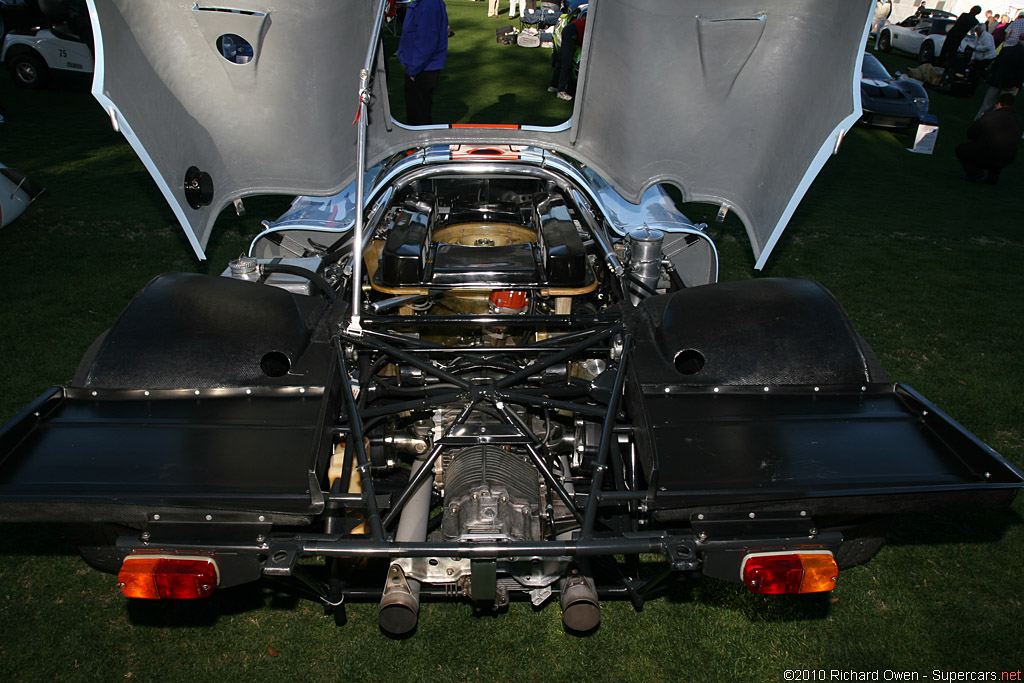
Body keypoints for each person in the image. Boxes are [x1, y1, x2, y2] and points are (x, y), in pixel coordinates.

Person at [397, 0, 449, 126]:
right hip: (421, 66)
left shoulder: (428, 3)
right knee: (418, 115)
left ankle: (421, 145)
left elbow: (427, 41)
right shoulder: (427, 3)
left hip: (422, 68)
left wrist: (414, 70)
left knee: (418, 118)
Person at [956, 93, 1024, 184]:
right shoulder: (1019, 120)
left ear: (999, 104)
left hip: (989, 153)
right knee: (1001, 148)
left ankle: (974, 173)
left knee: (962, 149)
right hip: (1009, 156)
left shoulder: (990, 116)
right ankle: (992, 177)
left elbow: (971, 133)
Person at [973, 38, 1024, 119]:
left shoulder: (1006, 50)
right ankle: (994, 121)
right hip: (1010, 84)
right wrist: (1018, 84)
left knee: (987, 103)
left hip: (996, 80)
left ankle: (979, 120)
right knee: (1003, 107)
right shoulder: (1020, 54)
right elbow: (1021, 73)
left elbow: (995, 65)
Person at [548, 10, 585, 101]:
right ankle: (561, 90)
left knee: (561, 61)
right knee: (567, 62)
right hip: (572, 32)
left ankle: (553, 85)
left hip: (570, 29)